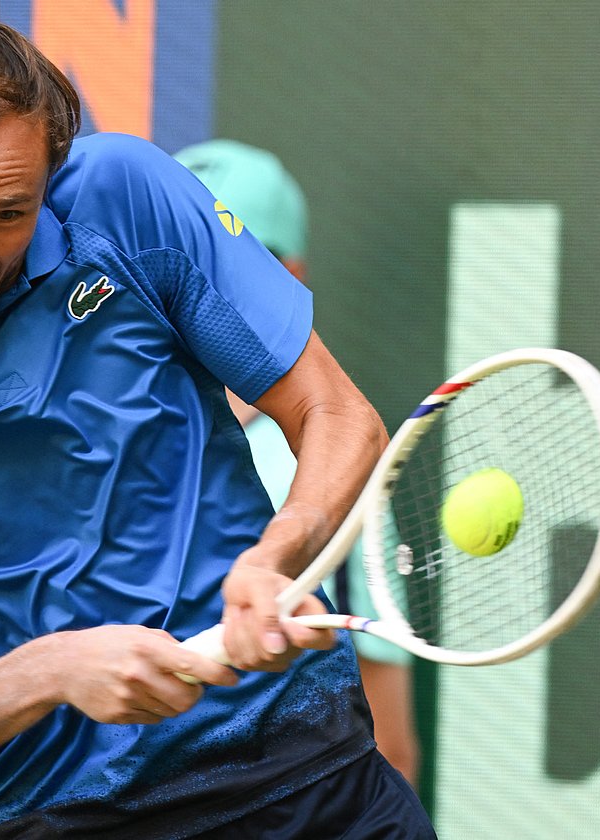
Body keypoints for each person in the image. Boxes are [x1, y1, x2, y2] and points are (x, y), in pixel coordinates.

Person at [0, 13, 436, 840]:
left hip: (315, 785)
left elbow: (336, 412)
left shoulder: (123, 199)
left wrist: (278, 558)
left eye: (7, 214)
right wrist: (45, 674)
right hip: (63, 819)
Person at [173, 139, 421, 787]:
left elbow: (389, 747)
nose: (205, 284)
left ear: (292, 275)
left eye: (239, 260)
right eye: (186, 260)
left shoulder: (339, 468)